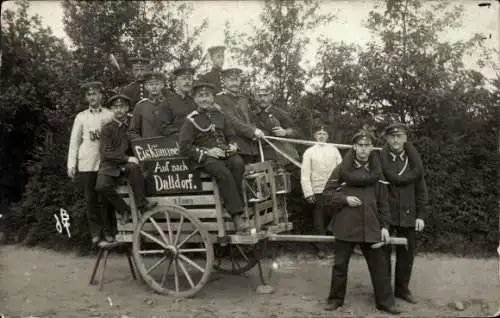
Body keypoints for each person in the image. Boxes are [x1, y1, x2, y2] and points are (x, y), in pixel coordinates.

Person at [322, 127, 402, 315]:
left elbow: (383, 201)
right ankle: (335, 300)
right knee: (340, 265)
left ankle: (385, 302)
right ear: (354, 147)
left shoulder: (378, 170)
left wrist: (384, 226)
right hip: (346, 224)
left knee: (379, 265)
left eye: (368, 145)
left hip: (371, 225)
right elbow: (326, 195)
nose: (364, 149)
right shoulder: (342, 168)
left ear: (372, 147)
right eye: (361, 145)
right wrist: (344, 199)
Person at [179, 82, 249, 231]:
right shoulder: (191, 120)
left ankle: (238, 206)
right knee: (221, 170)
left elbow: (231, 136)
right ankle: (237, 215)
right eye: (201, 96)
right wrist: (207, 153)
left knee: (237, 163)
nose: (204, 99)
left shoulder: (220, 115)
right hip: (206, 159)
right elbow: (184, 148)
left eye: (207, 95)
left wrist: (233, 145)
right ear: (195, 100)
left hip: (224, 153)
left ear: (212, 98)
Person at [95, 94, 157, 240]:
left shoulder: (132, 125)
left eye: (122, 106)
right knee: (101, 187)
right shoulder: (107, 128)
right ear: (111, 109)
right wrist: (126, 158)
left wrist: (136, 159)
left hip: (129, 164)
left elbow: (140, 143)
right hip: (110, 165)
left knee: (135, 169)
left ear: (127, 108)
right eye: (116, 107)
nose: (119, 110)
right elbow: (105, 152)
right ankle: (124, 210)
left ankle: (142, 205)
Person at [381, 122, 428, 304]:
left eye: (399, 136)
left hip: (409, 213)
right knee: (382, 255)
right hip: (386, 214)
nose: (395, 139)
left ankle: (402, 290)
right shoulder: (380, 159)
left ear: (405, 138)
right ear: (386, 139)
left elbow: (421, 190)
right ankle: (384, 291)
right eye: (392, 136)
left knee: (406, 255)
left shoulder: (414, 162)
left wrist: (421, 215)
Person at [67, 81, 114, 245]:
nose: (92, 97)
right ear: (86, 97)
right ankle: (96, 232)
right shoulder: (81, 117)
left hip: (105, 162)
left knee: (105, 196)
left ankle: (109, 231)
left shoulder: (109, 115)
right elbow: (74, 142)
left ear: (101, 95)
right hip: (87, 162)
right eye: (89, 94)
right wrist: (71, 164)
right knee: (90, 198)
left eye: (95, 94)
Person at [300, 125, 342, 258]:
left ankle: (339, 247)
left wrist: (341, 188)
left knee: (337, 218)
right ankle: (321, 249)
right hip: (317, 190)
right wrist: (308, 192)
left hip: (334, 190)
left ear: (328, 136)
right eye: (319, 133)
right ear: (315, 136)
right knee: (319, 221)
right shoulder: (309, 152)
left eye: (324, 133)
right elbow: (305, 174)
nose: (322, 136)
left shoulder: (334, 150)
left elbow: (341, 170)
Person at [215, 68, 264, 164]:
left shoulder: (244, 100)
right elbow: (231, 121)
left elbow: (251, 120)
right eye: (231, 80)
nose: (235, 83)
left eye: (237, 80)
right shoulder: (219, 99)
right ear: (224, 82)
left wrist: (255, 132)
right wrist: (252, 131)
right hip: (235, 146)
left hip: (252, 147)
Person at [252, 85, 300, 166]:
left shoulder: (280, 113)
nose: (262, 99)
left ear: (271, 97)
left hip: (281, 150)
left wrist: (285, 132)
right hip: (260, 151)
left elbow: (296, 130)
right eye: (259, 96)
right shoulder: (251, 114)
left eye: (265, 95)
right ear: (255, 98)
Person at [159, 66, 197, 138]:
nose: (187, 82)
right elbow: (163, 128)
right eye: (183, 79)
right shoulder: (167, 102)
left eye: (190, 79)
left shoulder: (195, 102)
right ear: (176, 81)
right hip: (176, 142)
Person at [128, 72, 167, 140]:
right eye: (151, 84)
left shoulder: (169, 104)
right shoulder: (140, 106)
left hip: (167, 147)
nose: (154, 87)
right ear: (146, 86)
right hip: (148, 147)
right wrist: (143, 143)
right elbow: (133, 131)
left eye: (157, 84)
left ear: (162, 85)